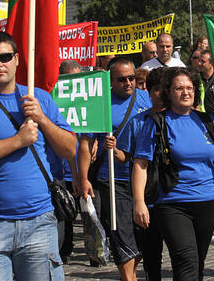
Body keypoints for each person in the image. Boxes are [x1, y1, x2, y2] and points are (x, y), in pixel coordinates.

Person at [0, 31, 76, 280]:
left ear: (17, 58)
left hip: (39, 221)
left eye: (5, 57)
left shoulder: (40, 98)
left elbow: (69, 149)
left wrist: (42, 119)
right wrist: (17, 141)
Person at [132, 67, 214, 281]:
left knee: (197, 263)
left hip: (207, 200)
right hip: (172, 202)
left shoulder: (206, 121)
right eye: (179, 88)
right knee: (186, 259)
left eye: (189, 88)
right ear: (168, 92)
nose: (186, 92)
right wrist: (139, 202)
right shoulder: (156, 123)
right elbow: (141, 164)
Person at [78, 56, 151, 281]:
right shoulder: (99, 104)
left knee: (143, 235)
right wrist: (83, 178)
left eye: (132, 78)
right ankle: (129, 278)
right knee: (121, 233)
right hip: (111, 179)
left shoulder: (147, 99)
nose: (128, 83)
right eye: (122, 80)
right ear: (110, 81)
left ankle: (129, 272)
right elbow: (85, 144)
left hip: (144, 177)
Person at [115, 67, 167, 281]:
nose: (160, 94)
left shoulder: (181, 118)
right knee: (150, 251)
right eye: (155, 89)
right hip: (147, 196)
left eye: (164, 89)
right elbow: (126, 157)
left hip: (175, 195)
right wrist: (113, 149)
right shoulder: (138, 121)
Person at [53, 60, 83, 263]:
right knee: (62, 211)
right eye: (69, 77)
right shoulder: (52, 99)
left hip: (82, 168)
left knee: (78, 212)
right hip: (58, 169)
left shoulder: (87, 98)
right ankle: (61, 250)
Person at [196, 50, 214, 116]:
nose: (199, 63)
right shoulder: (196, 78)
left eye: (203, 61)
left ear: (211, 63)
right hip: (202, 118)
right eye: (199, 60)